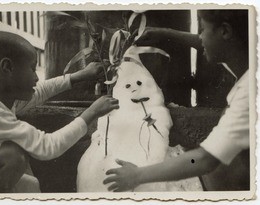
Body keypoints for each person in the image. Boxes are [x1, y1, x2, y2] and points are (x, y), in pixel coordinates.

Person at [103, 10, 249, 191]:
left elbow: (205, 159)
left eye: (202, 29)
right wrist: (165, 34)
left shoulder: (248, 94)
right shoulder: (247, 57)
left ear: (225, 31)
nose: (199, 36)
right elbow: (210, 42)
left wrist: (137, 175)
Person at [0, 31, 119, 193]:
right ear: (7, 67)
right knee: (15, 156)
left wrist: (79, 76)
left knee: (26, 174)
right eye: (32, 69)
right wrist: (92, 112)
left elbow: (40, 91)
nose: (36, 78)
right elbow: (47, 147)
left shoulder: (0, 95)